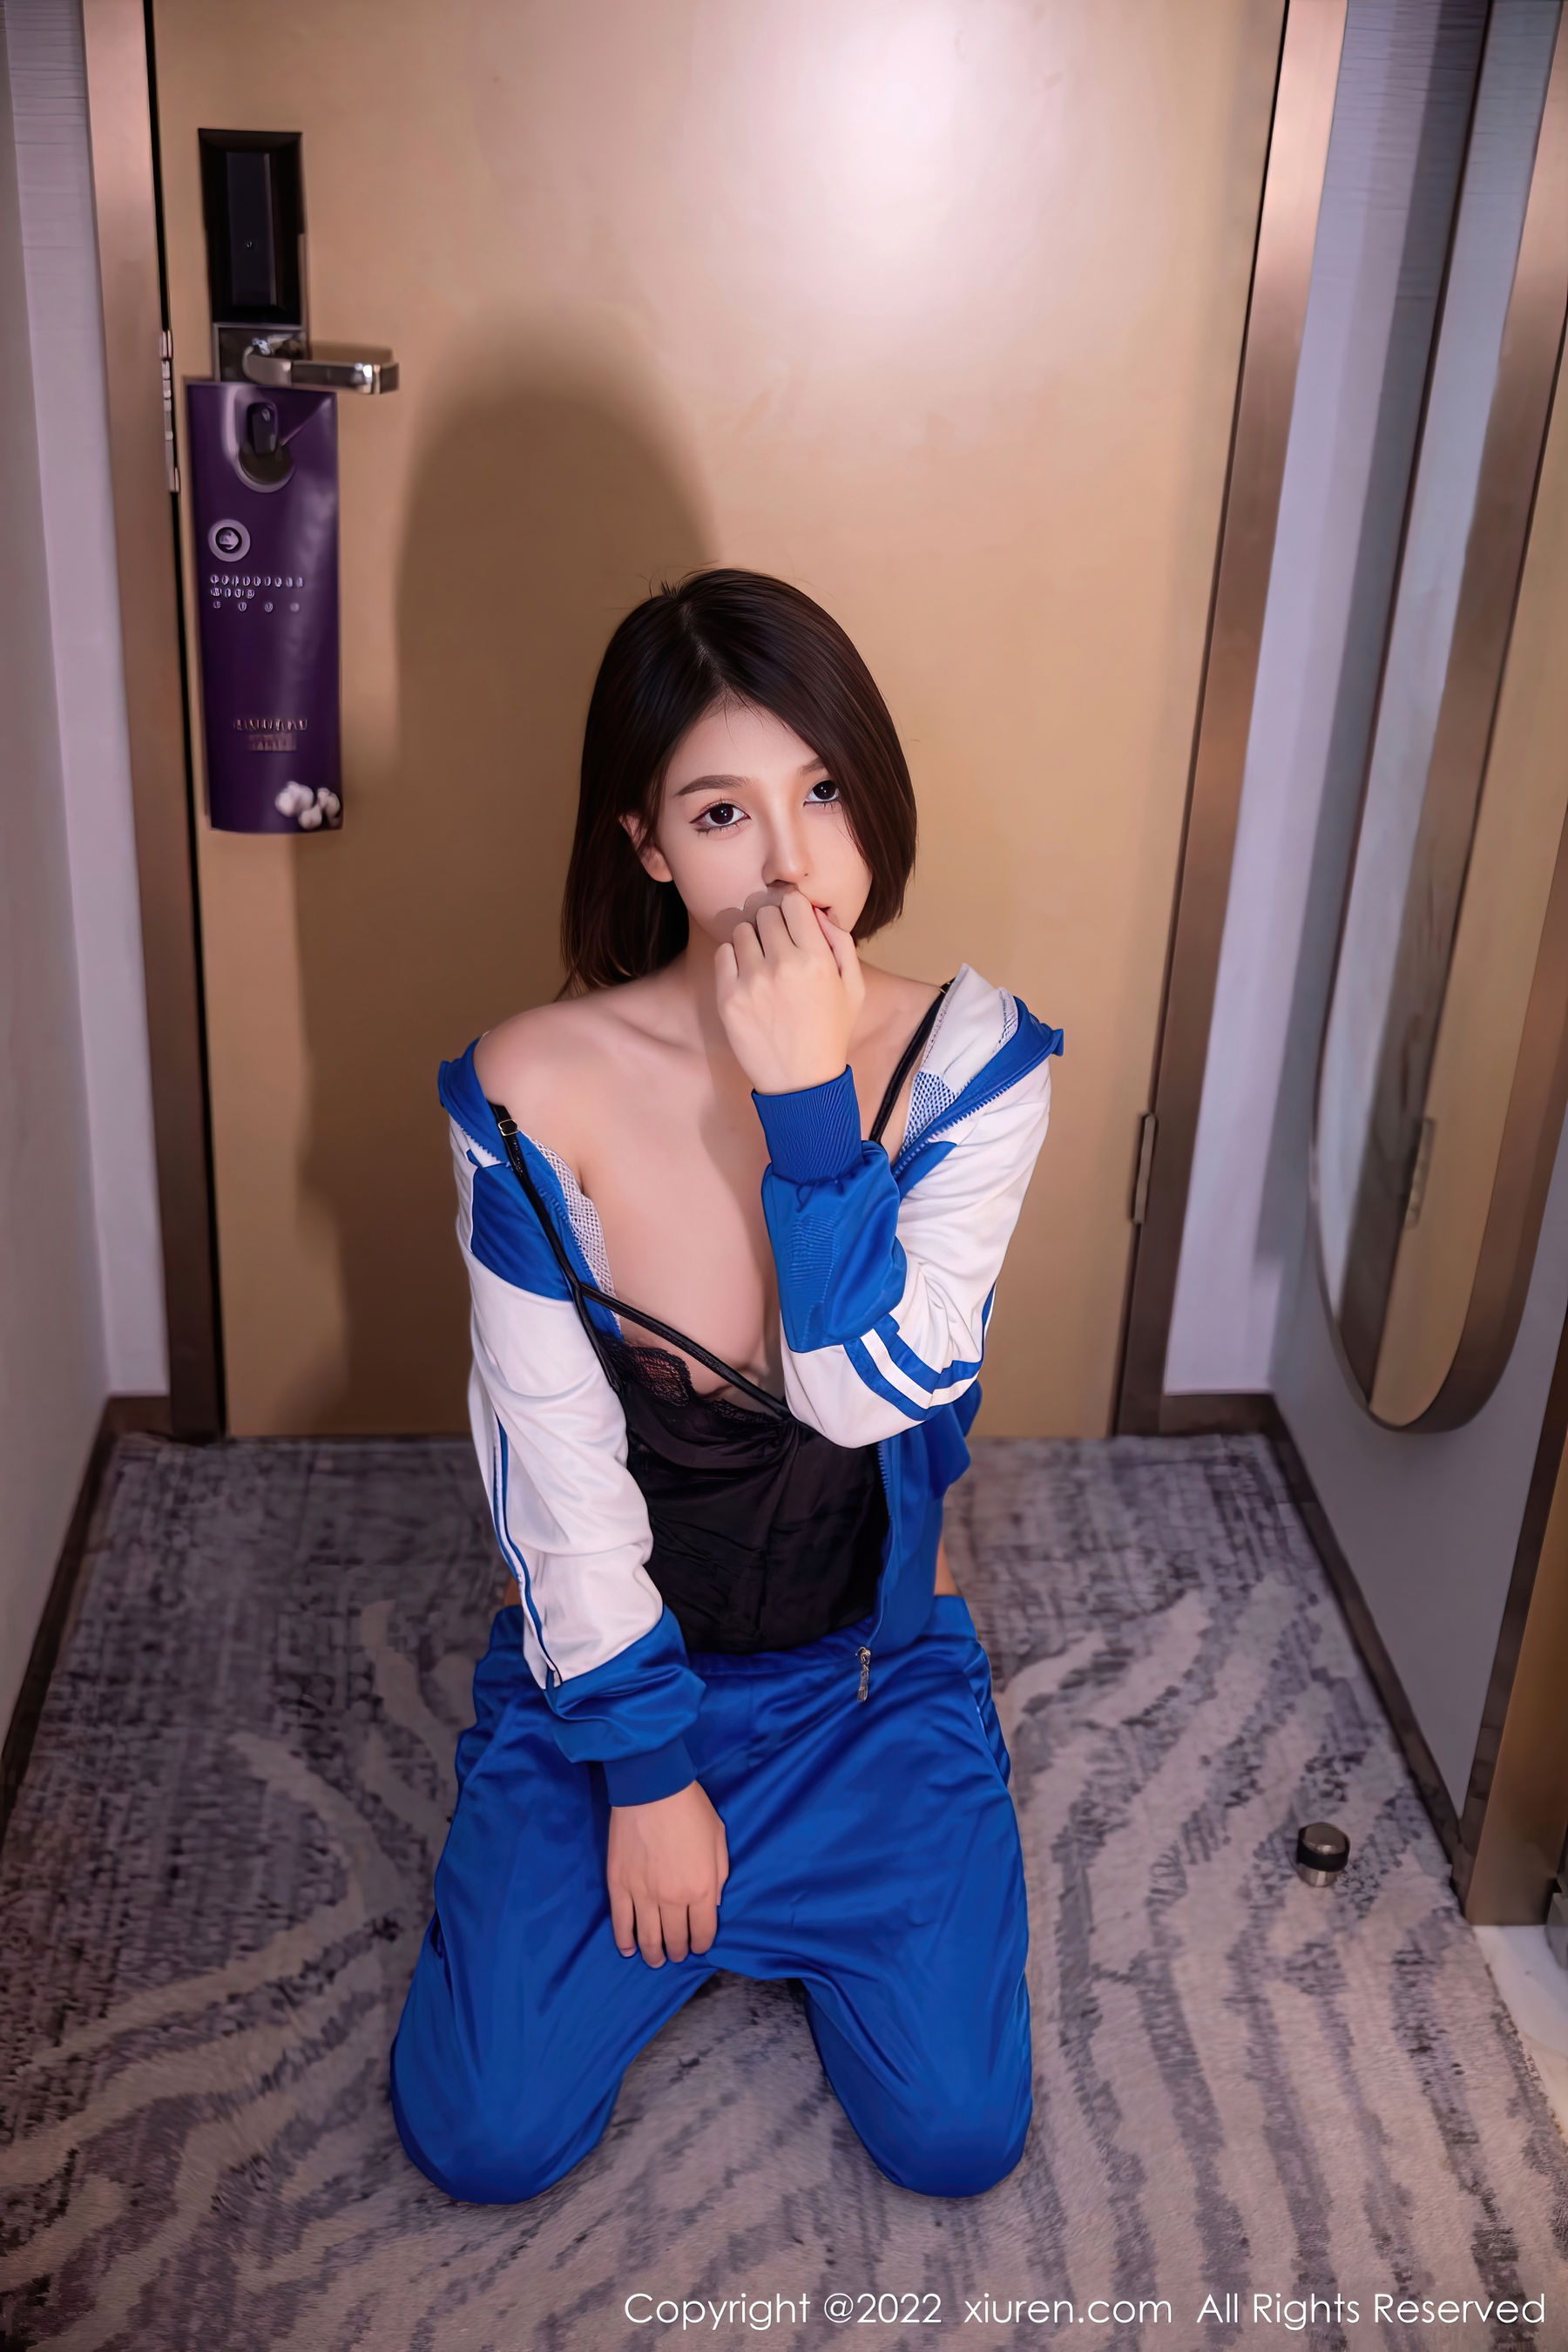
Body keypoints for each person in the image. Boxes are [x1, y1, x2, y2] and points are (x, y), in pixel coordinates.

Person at [389, 569, 1062, 2204]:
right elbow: (549, 1466)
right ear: (645, 845)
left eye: (823, 792)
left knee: (957, 2134)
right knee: (484, 2135)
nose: (789, 863)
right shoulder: (531, 1087)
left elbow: (867, 1396)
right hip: (616, 1678)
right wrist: (645, 1774)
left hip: (865, 1682)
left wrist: (808, 1099)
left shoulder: (974, 1064)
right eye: (719, 813)